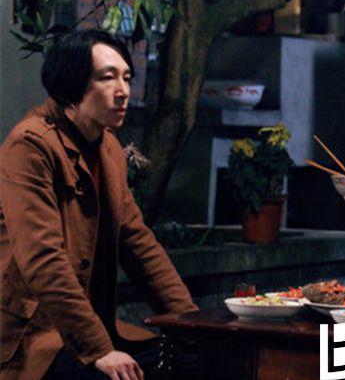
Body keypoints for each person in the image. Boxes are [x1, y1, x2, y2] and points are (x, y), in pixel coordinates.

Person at [0, 30, 198, 380]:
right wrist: (100, 349)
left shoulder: (107, 148)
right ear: (72, 84)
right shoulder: (30, 145)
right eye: (108, 78)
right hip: (35, 335)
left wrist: (194, 327)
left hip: (93, 329)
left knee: (198, 362)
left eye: (127, 77)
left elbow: (139, 245)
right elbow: (42, 258)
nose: (123, 90)